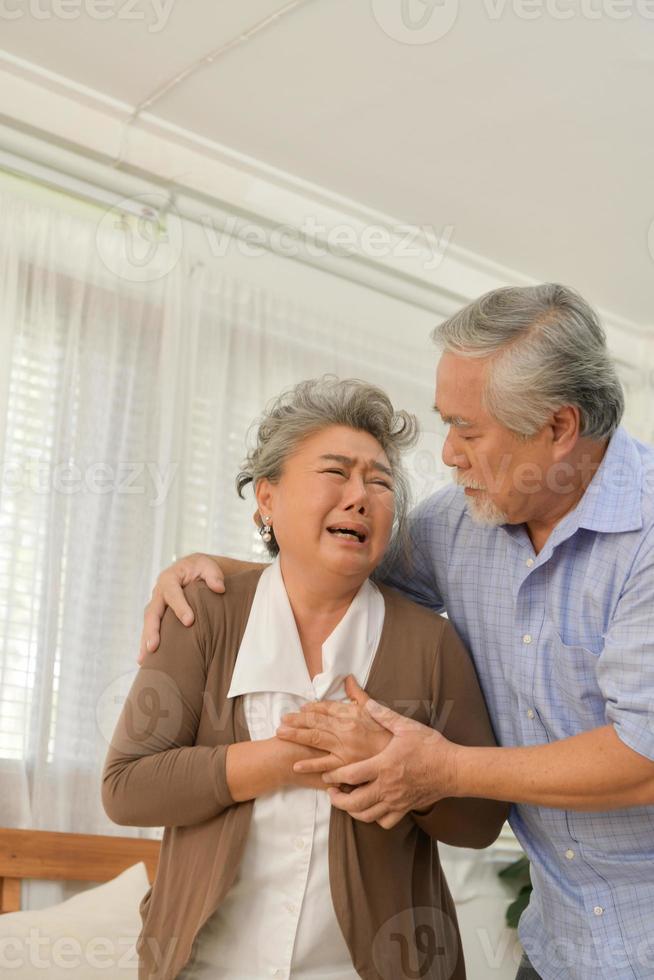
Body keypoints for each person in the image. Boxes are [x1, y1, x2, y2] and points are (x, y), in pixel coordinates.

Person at [142, 284, 654, 980]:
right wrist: (214, 570)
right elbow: (337, 557)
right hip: (560, 946)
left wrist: (442, 768)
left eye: (469, 430)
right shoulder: (462, 523)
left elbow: (642, 755)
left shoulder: (645, 537)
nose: (448, 455)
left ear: (559, 428)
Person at [104, 377, 507, 980]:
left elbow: (479, 823)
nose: (360, 495)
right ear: (267, 498)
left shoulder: (431, 642)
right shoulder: (203, 613)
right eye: (335, 472)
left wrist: (404, 770)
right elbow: (127, 786)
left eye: (379, 480)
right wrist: (292, 756)